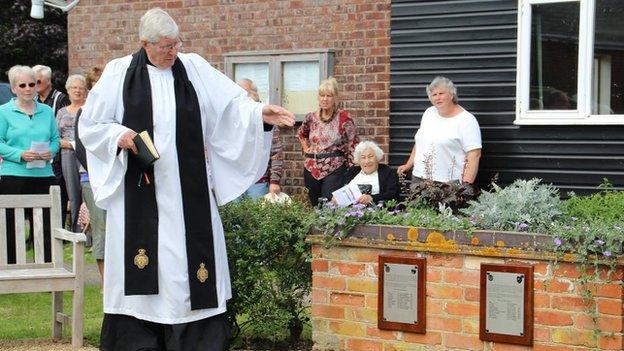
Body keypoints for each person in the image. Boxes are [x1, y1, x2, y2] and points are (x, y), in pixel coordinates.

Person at [78, 8, 294, 350]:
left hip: (186, 196)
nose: (173, 51)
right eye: (165, 46)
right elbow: (90, 126)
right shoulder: (119, 73)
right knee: (146, 273)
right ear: (144, 44)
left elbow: (231, 107)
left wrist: (258, 114)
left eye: (176, 44)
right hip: (139, 195)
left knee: (184, 274)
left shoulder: (193, 68)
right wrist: (117, 135)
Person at [0, 65, 60, 263]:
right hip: (13, 175)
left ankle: (49, 265)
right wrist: (19, 154)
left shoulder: (47, 111)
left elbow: (55, 139)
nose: (27, 88)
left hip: (44, 175)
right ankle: (11, 267)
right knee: (12, 224)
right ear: (13, 88)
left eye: (32, 84)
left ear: (37, 86)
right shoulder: (4, 112)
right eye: (22, 85)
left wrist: (50, 152)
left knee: (45, 223)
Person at [398, 76, 481, 186]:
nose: (437, 98)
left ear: (451, 95)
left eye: (441, 93)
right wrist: (409, 164)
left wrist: (465, 186)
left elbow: (474, 155)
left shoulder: (466, 120)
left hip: (448, 183)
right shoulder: (429, 113)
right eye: (434, 95)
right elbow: (420, 141)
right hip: (419, 178)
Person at [298, 77, 359, 206]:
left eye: (329, 96)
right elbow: (301, 134)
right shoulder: (310, 117)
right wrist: (306, 148)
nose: (325, 99)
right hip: (311, 167)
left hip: (334, 167)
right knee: (315, 205)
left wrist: (352, 170)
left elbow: (353, 143)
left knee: (329, 205)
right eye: (322, 95)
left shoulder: (344, 118)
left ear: (335, 98)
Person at [75, 66, 106, 287]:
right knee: (102, 233)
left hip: (120, 182)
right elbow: (81, 150)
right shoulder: (84, 114)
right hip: (93, 181)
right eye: (95, 85)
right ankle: (107, 286)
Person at [33, 64, 70, 228]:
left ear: (48, 82)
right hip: (36, 153)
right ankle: (36, 229)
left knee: (57, 193)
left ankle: (57, 228)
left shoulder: (61, 99)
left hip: (56, 155)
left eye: (38, 81)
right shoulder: (33, 100)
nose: (34, 85)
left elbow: (65, 128)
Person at [235, 78, 284, 200]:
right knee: (232, 218)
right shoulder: (234, 116)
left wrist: (274, 181)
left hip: (258, 182)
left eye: (244, 92)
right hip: (234, 182)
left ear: (254, 94)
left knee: (258, 217)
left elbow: (276, 152)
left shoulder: (266, 117)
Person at [56, 74, 87, 233]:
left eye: (81, 88)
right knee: (73, 193)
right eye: (74, 87)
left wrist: (74, 144)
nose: (77, 90)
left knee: (87, 192)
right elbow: (55, 136)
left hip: (86, 154)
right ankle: (76, 232)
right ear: (68, 90)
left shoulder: (89, 109)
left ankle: (90, 234)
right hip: (67, 155)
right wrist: (64, 144)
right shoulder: (61, 112)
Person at [339, 141, 400, 205]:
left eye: (370, 156)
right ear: (359, 161)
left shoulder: (387, 172)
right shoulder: (353, 171)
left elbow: (393, 194)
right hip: (348, 211)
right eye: (363, 157)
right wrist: (337, 198)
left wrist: (372, 198)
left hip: (375, 212)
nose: (367, 161)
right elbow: (340, 190)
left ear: (377, 158)